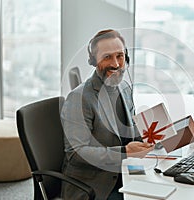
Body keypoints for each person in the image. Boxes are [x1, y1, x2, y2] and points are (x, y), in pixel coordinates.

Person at [60, 29, 154, 200]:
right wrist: (124, 152)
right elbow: (76, 152)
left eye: (119, 56)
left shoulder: (124, 87)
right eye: (107, 57)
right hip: (95, 183)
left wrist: (172, 133)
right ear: (93, 61)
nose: (116, 64)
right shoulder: (79, 98)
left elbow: (130, 129)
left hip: (122, 170)